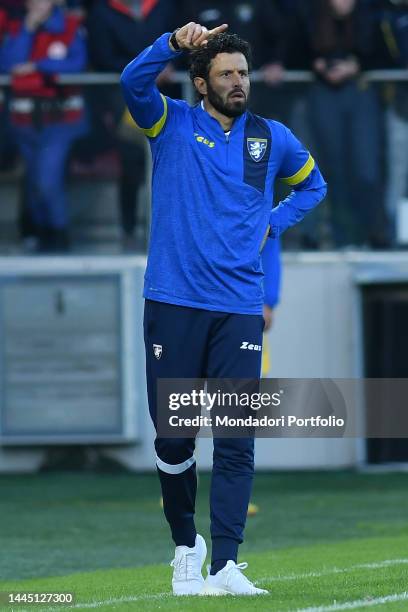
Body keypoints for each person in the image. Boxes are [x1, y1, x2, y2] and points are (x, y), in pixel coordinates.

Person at [121, 21, 326, 596]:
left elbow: (313, 187)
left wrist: (270, 224)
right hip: (173, 302)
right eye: (226, 75)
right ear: (201, 83)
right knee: (173, 440)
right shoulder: (170, 124)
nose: (239, 83)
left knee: (237, 438)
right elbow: (129, 82)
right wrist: (169, 43)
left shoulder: (271, 137)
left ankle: (227, 563)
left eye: (243, 73)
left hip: (238, 306)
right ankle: (186, 548)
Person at [0, 0, 87, 252]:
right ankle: (40, 233)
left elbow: (76, 64)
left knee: (47, 179)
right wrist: (28, 29)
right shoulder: (17, 27)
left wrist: (37, 67)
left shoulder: (71, 26)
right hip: (23, 121)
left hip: (60, 120)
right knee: (34, 181)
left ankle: (58, 234)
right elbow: (7, 64)